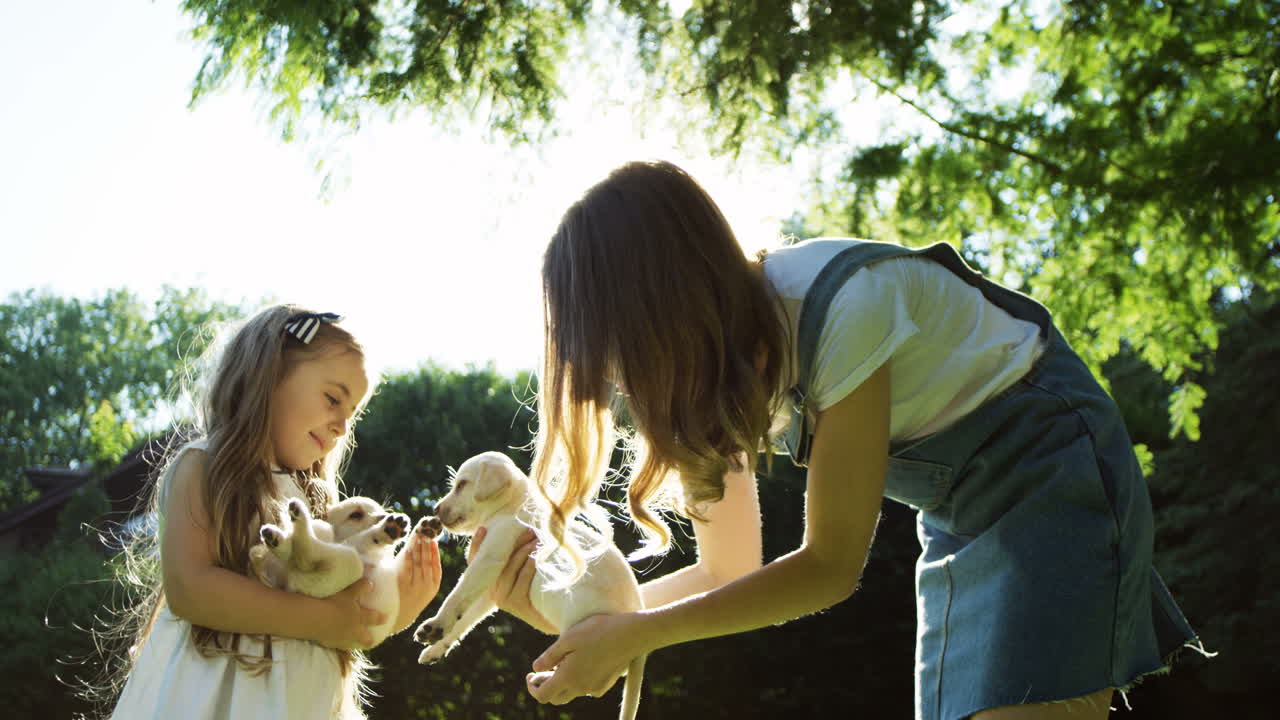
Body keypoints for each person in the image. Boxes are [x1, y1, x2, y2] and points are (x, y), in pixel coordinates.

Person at [484, 160, 1202, 719]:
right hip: (960, 517)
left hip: (1053, 465)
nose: (613, 377)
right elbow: (727, 569)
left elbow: (829, 565)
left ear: (660, 308)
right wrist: (583, 618)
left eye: (612, 346)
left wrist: (633, 637)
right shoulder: (717, 384)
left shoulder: (839, 307)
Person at [105, 305, 442, 720]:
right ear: (268, 376)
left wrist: (397, 610)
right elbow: (191, 589)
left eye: (350, 416)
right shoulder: (203, 466)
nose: (341, 426)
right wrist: (328, 621)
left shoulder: (318, 511)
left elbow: (350, 617)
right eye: (332, 398)